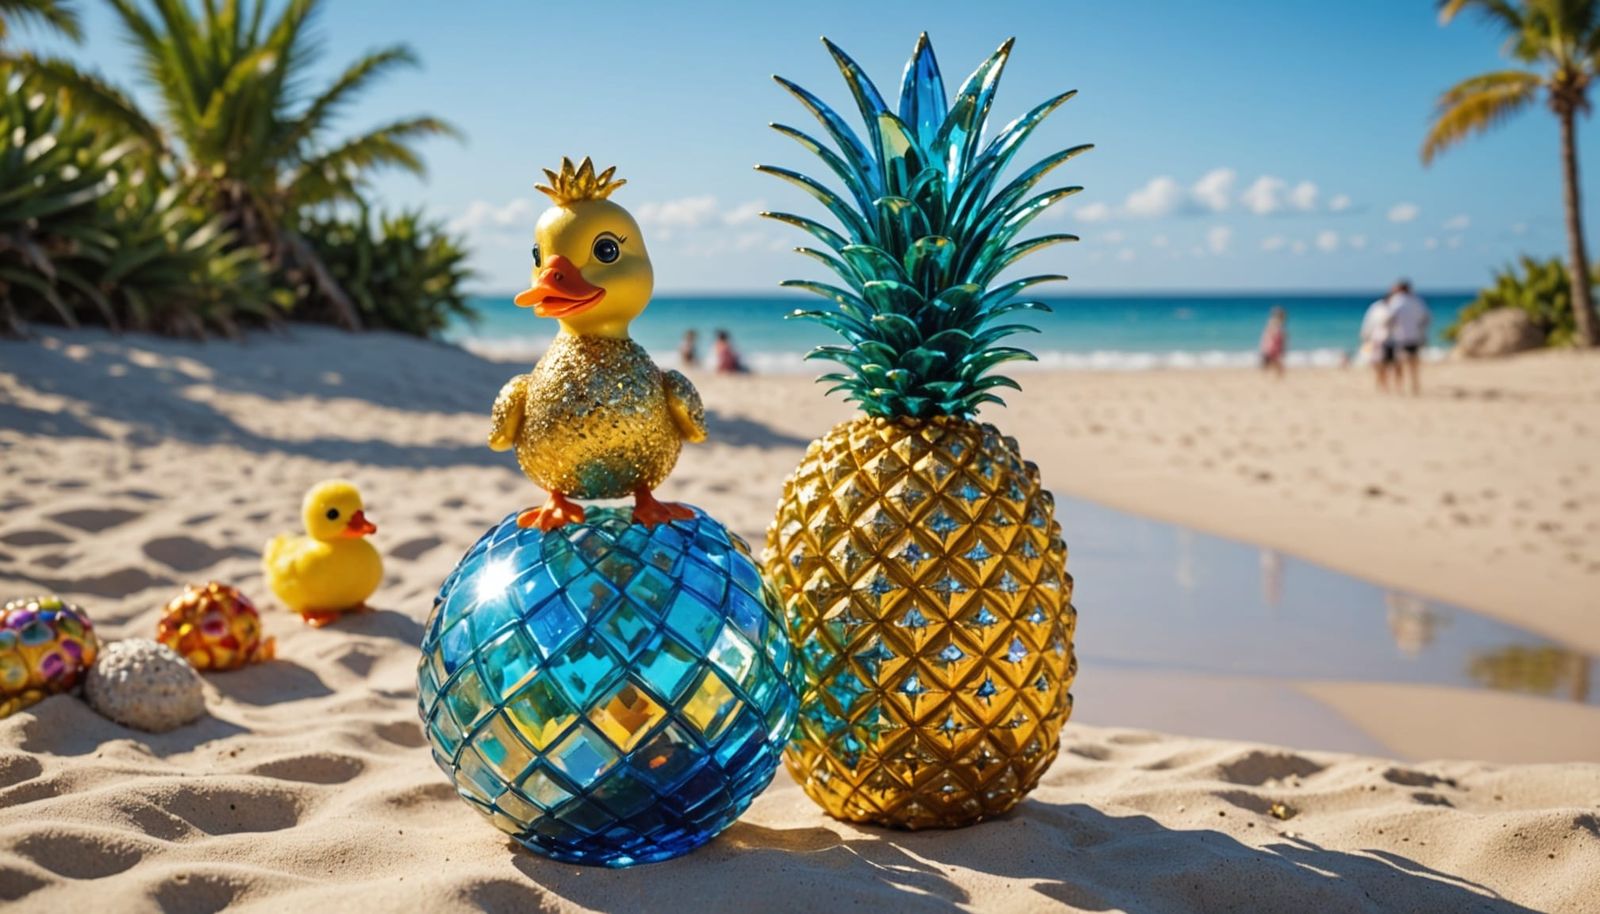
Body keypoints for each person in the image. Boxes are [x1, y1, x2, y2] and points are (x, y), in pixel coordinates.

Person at [1387, 279, 1430, 396]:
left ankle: (1399, 387)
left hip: (1400, 336)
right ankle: (1415, 386)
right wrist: (1420, 330)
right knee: (1414, 364)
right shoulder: (1417, 301)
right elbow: (1426, 318)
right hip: (1415, 336)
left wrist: (1389, 329)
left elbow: (1389, 318)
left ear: (1400, 289)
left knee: (1399, 363)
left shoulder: (1396, 301)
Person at [1359, 292, 1395, 392]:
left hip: (1389, 340)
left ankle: (1385, 384)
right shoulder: (1377, 308)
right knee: (1377, 362)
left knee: (1387, 364)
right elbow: (1369, 322)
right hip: (1378, 339)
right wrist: (1365, 335)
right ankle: (1382, 383)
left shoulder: (1390, 308)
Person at [1259, 306, 1287, 378]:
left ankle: (1272, 377)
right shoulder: (1274, 324)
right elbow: (1273, 336)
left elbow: (1266, 337)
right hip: (1272, 348)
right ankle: (1273, 377)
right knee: (1273, 364)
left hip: (1271, 348)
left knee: (1273, 364)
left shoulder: (1275, 324)